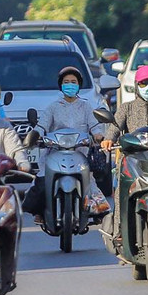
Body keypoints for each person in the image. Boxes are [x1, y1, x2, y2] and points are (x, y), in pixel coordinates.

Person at [26, 66, 106, 221]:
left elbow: (95, 126)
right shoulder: (53, 107)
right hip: (54, 153)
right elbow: (42, 125)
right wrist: (34, 136)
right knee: (42, 181)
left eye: (73, 82)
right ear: (61, 85)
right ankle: (41, 211)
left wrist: (99, 136)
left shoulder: (86, 106)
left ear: (79, 85)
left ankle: (93, 210)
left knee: (90, 183)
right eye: (66, 82)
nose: (70, 85)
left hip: (80, 153)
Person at [105, 65, 148, 145]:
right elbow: (114, 128)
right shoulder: (126, 108)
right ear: (136, 85)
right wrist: (109, 140)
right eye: (143, 84)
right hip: (133, 154)